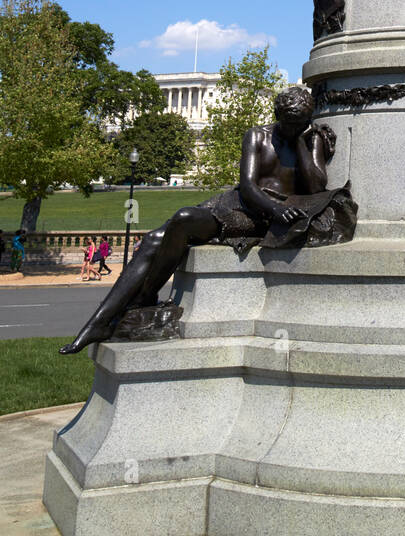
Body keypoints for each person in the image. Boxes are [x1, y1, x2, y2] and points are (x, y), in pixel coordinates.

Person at [60, 86, 357, 354]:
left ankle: (136, 302)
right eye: (289, 123)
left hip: (260, 219)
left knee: (184, 218)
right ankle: (100, 321)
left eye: (299, 123)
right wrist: (275, 208)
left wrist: (302, 142)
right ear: (278, 116)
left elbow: (317, 186)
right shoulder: (257, 135)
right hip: (241, 203)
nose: (293, 129)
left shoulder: (309, 139)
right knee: (153, 238)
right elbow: (248, 185)